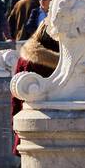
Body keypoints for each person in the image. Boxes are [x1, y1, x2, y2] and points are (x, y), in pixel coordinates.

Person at [11, 23, 59, 154]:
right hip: (54, 126)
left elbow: (15, 97)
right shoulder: (62, 64)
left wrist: (14, 124)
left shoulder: (24, 58)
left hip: (26, 120)